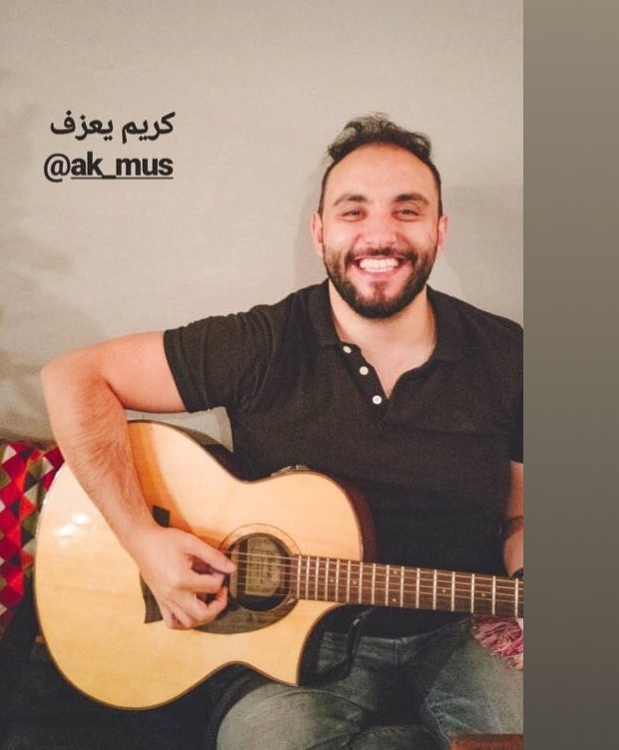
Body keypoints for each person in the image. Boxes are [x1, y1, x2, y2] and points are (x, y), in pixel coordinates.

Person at [41, 114, 523, 750]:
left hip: (462, 631)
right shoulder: (261, 343)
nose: (380, 234)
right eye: (354, 211)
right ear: (321, 231)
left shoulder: (508, 355)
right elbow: (73, 378)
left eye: (407, 211)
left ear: (440, 229)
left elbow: (519, 517)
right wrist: (141, 538)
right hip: (288, 647)